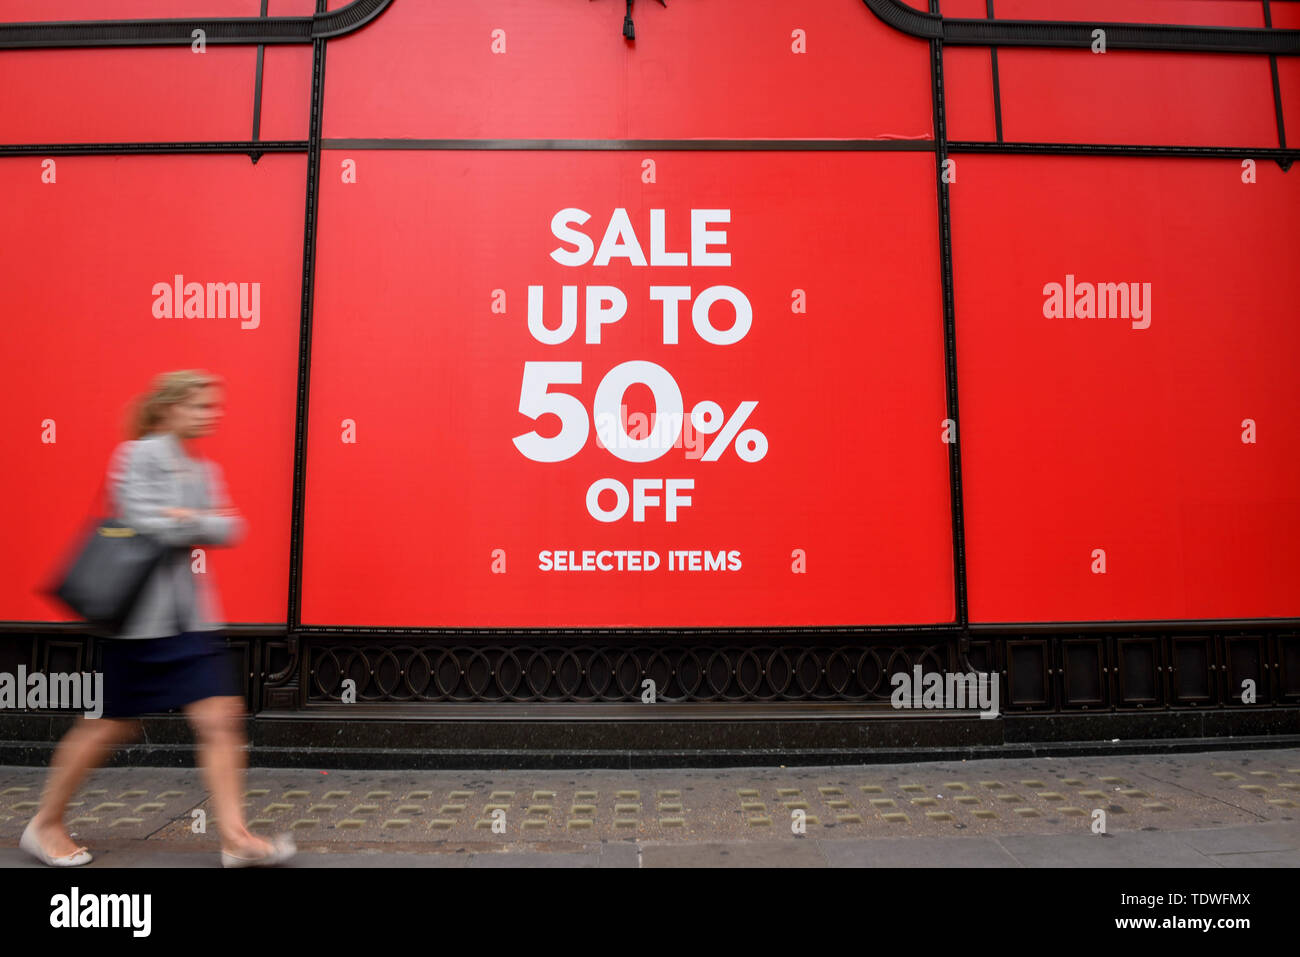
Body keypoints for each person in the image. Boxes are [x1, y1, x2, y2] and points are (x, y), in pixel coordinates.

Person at [21, 369, 295, 868]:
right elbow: (142, 521)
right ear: (170, 407)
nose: (210, 414)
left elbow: (230, 527)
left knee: (219, 719)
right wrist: (190, 521)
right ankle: (44, 825)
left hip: (191, 621)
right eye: (200, 405)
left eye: (213, 406)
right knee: (108, 726)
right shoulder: (138, 455)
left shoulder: (201, 468)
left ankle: (235, 838)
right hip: (139, 625)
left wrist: (182, 519)